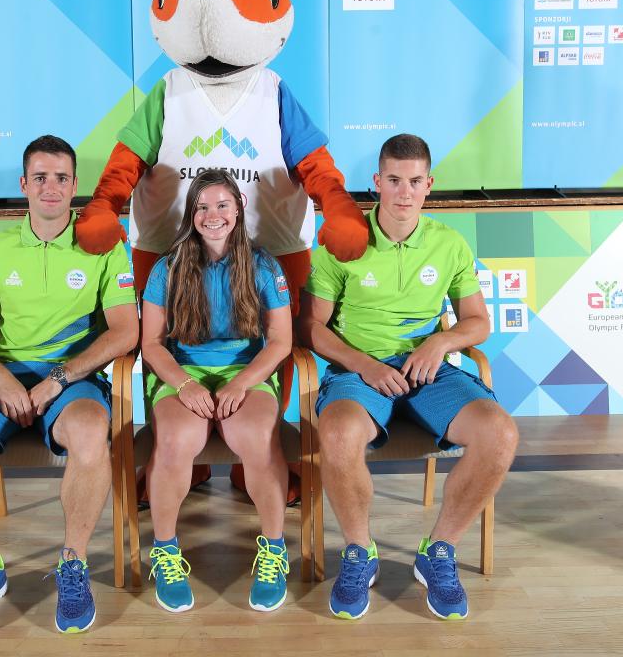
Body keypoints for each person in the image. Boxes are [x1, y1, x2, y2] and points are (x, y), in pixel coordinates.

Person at [298, 134, 519, 621]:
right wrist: (365, 364)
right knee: (337, 434)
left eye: (415, 181)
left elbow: (478, 322)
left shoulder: (448, 243)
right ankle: (360, 551)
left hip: (428, 372)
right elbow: (310, 327)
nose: (404, 192)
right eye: (394, 180)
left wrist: (439, 343)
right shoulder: (341, 242)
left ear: (429, 185)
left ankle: (438, 551)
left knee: (500, 434)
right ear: (376, 182)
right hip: (360, 372)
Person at [0, 135, 138, 636]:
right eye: (40, 177)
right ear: (24, 184)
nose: (51, 187)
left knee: (90, 431)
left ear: (75, 185)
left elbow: (125, 331)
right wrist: (1, 378)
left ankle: (72, 564)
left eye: (61, 178)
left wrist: (58, 378)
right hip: (4, 375)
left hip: (71, 379)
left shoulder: (105, 247)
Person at [139, 169, 293, 613]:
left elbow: (280, 341)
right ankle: (166, 552)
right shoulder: (167, 267)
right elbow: (152, 344)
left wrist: (242, 383)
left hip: (245, 371)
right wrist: (185, 384)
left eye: (223, 205)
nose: (213, 215)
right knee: (175, 439)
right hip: (183, 371)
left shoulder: (264, 265)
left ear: (238, 209)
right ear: (191, 214)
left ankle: (274, 550)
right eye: (202, 207)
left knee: (257, 436)